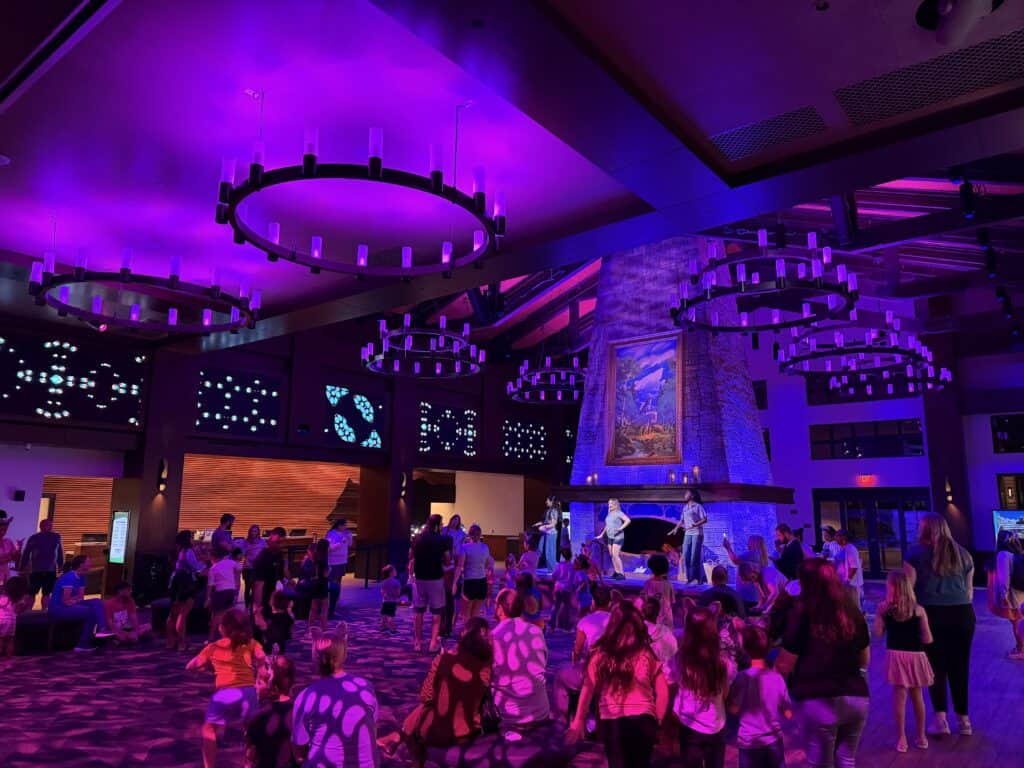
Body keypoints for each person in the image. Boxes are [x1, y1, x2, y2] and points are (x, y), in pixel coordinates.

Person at [775, 559, 870, 768]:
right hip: (856, 697)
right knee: (846, 760)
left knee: (820, 763)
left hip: (818, 698)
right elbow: (865, 659)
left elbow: (783, 665)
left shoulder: (802, 614)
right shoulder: (852, 611)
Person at [378, 617, 493, 767]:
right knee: (428, 710)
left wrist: (447, 659)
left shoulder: (443, 660)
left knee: (424, 712)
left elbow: (425, 697)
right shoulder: (487, 669)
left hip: (439, 732)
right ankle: (398, 738)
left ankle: (410, 753)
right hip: (469, 731)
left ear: (463, 637)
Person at [567, 601, 669, 768]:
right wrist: (658, 719)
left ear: (612, 626)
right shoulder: (645, 653)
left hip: (613, 720)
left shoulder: (600, 654)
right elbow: (662, 690)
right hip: (644, 719)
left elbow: (588, 688)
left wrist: (578, 720)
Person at [904, 512, 975, 737]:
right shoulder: (964, 554)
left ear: (924, 528)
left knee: (935, 667)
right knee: (960, 666)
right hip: (963, 614)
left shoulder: (914, 553)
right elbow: (970, 592)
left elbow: (909, 591)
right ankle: (964, 721)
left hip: (931, 614)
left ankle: (941, 720)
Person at [187, 607, 266, 768]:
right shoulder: (251, 643)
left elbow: (191, 666)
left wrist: (206, 668)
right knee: (250, 730)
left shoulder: (213, 647)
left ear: (223, 628)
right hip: (248, 692)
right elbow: (262, 657)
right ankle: (249, 764)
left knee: (209, 730)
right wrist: (259, 670)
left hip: (224, 694)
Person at [292, 626, 380, 768]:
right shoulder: (366, 687)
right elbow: (372, 733)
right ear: (344, 656)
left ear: (315, 658)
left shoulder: (306, 697)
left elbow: (299, 753)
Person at [873, 570, 935, 753]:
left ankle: (901, 738)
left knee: (899, 698)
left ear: (891, 588)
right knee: (918, 696)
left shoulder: (885, 610)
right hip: (915, 656)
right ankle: (921, 736)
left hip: (896, 656)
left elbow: (877, 634)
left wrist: (879, 616)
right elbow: (928, 639)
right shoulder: (918, 610)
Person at [674, 602, 736, 768]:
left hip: (688, 723)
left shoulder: (679, 659)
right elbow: (725, 693)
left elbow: (672, 680)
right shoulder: (724, 663)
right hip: (715, 724)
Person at [727, 625, 792, 768]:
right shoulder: (777, 678)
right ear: (768, 649)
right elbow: (788, 713)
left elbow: (734, 709)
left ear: (745, 649)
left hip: (750, 742)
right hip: (774, 741)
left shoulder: (742, 678)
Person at [491, 588, 550, 729]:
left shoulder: (493, 637)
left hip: (507, 715)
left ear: (500, 609)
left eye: (495, 603)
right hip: (540, 712)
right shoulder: (536, 631)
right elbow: (543, 664)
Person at [556, 584, 612, 720]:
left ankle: (562, 718)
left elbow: (577, 650)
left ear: (593, 602)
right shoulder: (617, 620)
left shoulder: (585, 622)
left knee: (560, 676)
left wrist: (576, 664)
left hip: (592, 674)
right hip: (613, 672)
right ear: (610, 603)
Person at [49, 554, 111, 651]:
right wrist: (75, 600)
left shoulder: (82, 577)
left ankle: (102, 629)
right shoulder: (70, 577)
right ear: (81, 565)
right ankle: (82, 644)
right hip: (58, 608)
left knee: (97, 602)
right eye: (88, 562)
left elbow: (80, 597)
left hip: (70, 604)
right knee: (91, 611)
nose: (90, 564)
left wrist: (74, 600)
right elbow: (66, 601)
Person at [410, 514, 451, 653]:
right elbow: (447, 560)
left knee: (418, 611)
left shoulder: (417, 538)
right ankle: (433, 643)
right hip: (435, 579)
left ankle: (417, 642)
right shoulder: (441, 540)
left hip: (419, 578)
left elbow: (411, 555)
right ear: (438, 525)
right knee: (436, 613)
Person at [246, 655, 295, 768]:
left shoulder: (258, 716)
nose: (255, 686)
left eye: (259, 682)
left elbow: (250, 758)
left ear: (271, 685)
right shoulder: (299, 712)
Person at [168, 529, 205, 651]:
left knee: (173, 614)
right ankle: (181, 643)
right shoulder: (188, 551)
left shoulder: (178, 551)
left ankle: (170, 641)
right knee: (182, 614)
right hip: (185, 584)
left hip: (175, 583)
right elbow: (196, 568)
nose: (193, 539)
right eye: (192, 537)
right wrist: (205, 563)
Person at [19, 518, 63, 610]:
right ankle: (28, 612)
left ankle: (44, 611)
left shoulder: (56, 537)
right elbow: (26, 552)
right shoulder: (34, 538)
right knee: (31, 592)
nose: (49, 527)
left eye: (50, 525)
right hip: (35, 570)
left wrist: (60, 564)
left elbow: (59, 551)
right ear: (41, 526)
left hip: (50, 570)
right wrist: (22, 567)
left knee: (47, 592)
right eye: (46, 525)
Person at [992, 530, 1024, 659]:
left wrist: (1003, 595)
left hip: (1013, 595)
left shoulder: (1003, 555)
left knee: (1016, 622)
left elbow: (1004, 578)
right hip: (1021, 593)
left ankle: (1021, 649)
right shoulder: (1018, 553)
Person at [453, 524, 493, 621]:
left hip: (470, 582)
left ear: (469, 535)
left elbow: (459, 566)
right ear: (480, 535)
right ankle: (474, 629)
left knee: (466, 612)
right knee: (476, 612)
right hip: (482, 581)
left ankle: (467, 630)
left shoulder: (465, 547)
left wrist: (454, 582)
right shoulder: (485, 547)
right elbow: (488, 564)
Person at [670, 489, 708, 584]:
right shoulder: (685, 507)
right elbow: (682, 520)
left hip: (697, 533)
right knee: (686, 555)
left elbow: (705, 519)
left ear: (692, 496)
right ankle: (689, 578)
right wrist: (675, 528)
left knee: (694, 556)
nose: (685, 495)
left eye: (687, 493)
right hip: (688, 533)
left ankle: (696, 579)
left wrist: (695, 525)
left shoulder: (698, 506)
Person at [251, 527, 289, 616]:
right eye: (278, 542)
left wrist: (288, 581)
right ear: (270, 538)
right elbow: (258, 585)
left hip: (275, 600)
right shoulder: (263, 557)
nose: (280, 545)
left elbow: (282, 573)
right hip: (264, 600)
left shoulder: (279, 554)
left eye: (282, 542)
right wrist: (258, 609)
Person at [723, 534, 770, 605]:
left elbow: (735, 560)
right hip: (756, 594)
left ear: (753, 543)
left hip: (747, 592)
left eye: (749, 541)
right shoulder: (762, 556)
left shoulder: (752, 554)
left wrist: (728, 547)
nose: (747, 544)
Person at [207, 548, 242, 643]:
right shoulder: (230, 562)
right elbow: (239, 568)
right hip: (231, 591)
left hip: (220, 592)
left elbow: (210, 585)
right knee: (229, 615)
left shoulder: (213, 568)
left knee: (216, 616)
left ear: (213, 557)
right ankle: (229, 636)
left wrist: (208, 598)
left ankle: (210, 637)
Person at [299, 539, 330, 636]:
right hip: (322, 585)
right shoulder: (324, 559)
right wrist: (329, 571)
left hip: (315, 584)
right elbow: (325, 574)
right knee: (324, 609)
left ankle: (310, 628)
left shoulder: (315, 557)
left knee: (313, 608)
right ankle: (324, 629)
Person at [641, 596, 678, 673]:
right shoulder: (667, 632)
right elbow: (675, 651)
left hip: (648, 673)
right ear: (658, 613)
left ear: (642, 612)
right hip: (669, 672)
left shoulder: (638, 631)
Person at [597, 499, 631, 581]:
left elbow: (628, 520)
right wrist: (601, 534)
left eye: (611, 503)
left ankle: (622, 574)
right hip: (610, 536)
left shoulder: (619, 513)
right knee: (612, 555)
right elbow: (607, 525)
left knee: (615, 555)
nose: (609, 505)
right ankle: (616, 572)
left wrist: (620, 528)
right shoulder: (609, 514)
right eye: (609, 503)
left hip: (618, 536)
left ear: (615, 504)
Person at [325, 518, 353, 617]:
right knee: (333, 580)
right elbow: (330, 548)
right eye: (344, 525)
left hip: (342, 560)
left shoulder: (345, 533)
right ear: (339, 525)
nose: (345, 527)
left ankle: (337, 598)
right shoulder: (331, 534)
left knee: (339, 579)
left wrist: (349, 537)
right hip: (334, 560)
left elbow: (349, 544)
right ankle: (331, 600)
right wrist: (340, 543)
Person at [0, 575, 32, 657]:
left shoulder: (3, 598)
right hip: (11, 622)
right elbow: (19, 611)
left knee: (1, 639)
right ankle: (9, 656)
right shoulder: (19, 601)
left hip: (1, 620)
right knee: (10, 639)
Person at [642, 553, 675, 627]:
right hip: (666, 617)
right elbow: (672, 601)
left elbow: (646, 599)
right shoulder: (668, 584)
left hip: (652, 617)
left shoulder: (648, 583)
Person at [833, 529, 863, 608]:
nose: (835, 538)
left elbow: (854, 566)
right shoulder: (843, 548)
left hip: (850, 582)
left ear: (843, 537)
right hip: (843, 579)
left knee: (853, 603)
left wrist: (848, 580)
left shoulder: (850, 549)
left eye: (837, 536)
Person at [240, 525, 267, 611]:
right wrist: (246, 555)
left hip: (258, 568)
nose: (253, 533)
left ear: (258, 532)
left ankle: (255, 606)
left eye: (255, 531)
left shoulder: (262, 542)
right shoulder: (246, 542)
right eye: (252, 531)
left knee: (257, 588)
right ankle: (247, 607)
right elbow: (242, 553)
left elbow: (266, 552)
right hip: (248, 568)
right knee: (248, 588)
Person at [260, 590, 294, 655]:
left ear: (273, 603)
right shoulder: (287, 616)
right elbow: (289, 630)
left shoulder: (271, 617)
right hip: (283, 641)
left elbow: (265, 628)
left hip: (271, 642)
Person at [551, 548, 575, 630]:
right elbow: (572, 578)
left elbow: (553, 576)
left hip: (558, 587)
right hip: (567, 588)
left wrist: (554, 585)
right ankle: (566, 626)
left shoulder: (559, 565)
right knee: (567, 607)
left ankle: (552, 625)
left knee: (555, 606)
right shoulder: (571, 566)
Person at [534, 496, 561, 570]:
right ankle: (549, 569)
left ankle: (552, 569)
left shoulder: (554, 511)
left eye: (547, 500)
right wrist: (540, 524)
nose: (546, 502)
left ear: (551, 501)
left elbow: (553, 524)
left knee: (550, 552)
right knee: (541, 550)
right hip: (546, 533)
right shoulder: (549, 510)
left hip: (551, 533)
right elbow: (547, 521)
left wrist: (544, 527)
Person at [0, 511, 22, 587]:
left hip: (5, 577)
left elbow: (16, 560)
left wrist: (19, 549)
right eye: (1, 530)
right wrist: (10, 557)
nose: (3, 532)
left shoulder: (8, 542)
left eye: (5, 530)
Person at [379, 564, 401, 634]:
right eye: (394, 571)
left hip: (385, 601)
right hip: (392, 602)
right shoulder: (396, 582)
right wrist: (396, 596)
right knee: (391, 616)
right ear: (391, 573)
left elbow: (382, 591)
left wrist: (385, 595)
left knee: (384, 615)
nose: (396, 571)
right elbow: (398, 593)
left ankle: (383, 627)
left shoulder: (384, 582)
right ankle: (392, 629)